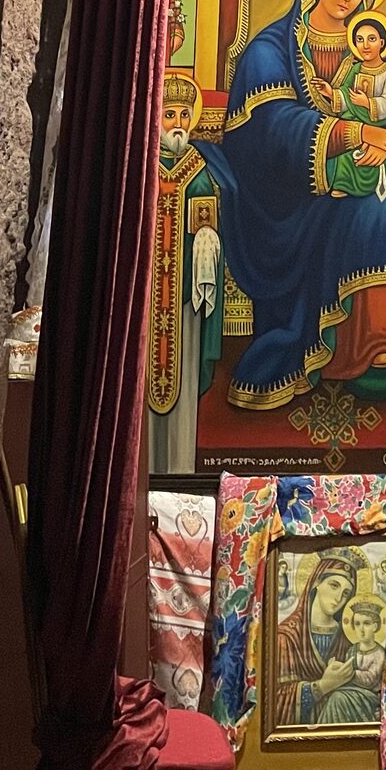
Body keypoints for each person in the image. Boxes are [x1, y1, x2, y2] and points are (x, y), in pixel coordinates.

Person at [220, 0, 386, 406]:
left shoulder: (367, 50)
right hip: (287, 191)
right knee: (371, 209)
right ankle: (339, 347)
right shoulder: (270, 49)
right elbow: (272, 128)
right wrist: (354, 134)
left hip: (356, 166)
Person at [146, 73, 234, 474]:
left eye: (184, 114)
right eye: (169, 115)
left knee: (181, 377)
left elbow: (210, 221)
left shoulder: (198, 169)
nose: (178, 122)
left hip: (183, 297)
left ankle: (179, 470)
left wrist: (206, 242)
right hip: (146, 299)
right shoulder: (142, 168)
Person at [274, 549, 371, 728]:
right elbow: (275, 701)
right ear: (316, 582)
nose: (338, 598)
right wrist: (322, 686)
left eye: (346, 593)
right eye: (334, 585)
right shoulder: (286, 636)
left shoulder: (348, 638)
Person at [314, 12, 386, 201]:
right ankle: (342, 184)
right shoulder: (355, 69)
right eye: (360, 40)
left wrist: (367, 103)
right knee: (343, 151)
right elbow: (346, 94)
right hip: (353, 120)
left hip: (376, 124)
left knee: (365, 156)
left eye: (372, 39)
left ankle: (364, 184)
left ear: (382, 43)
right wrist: (330, 93)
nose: (366, 45)